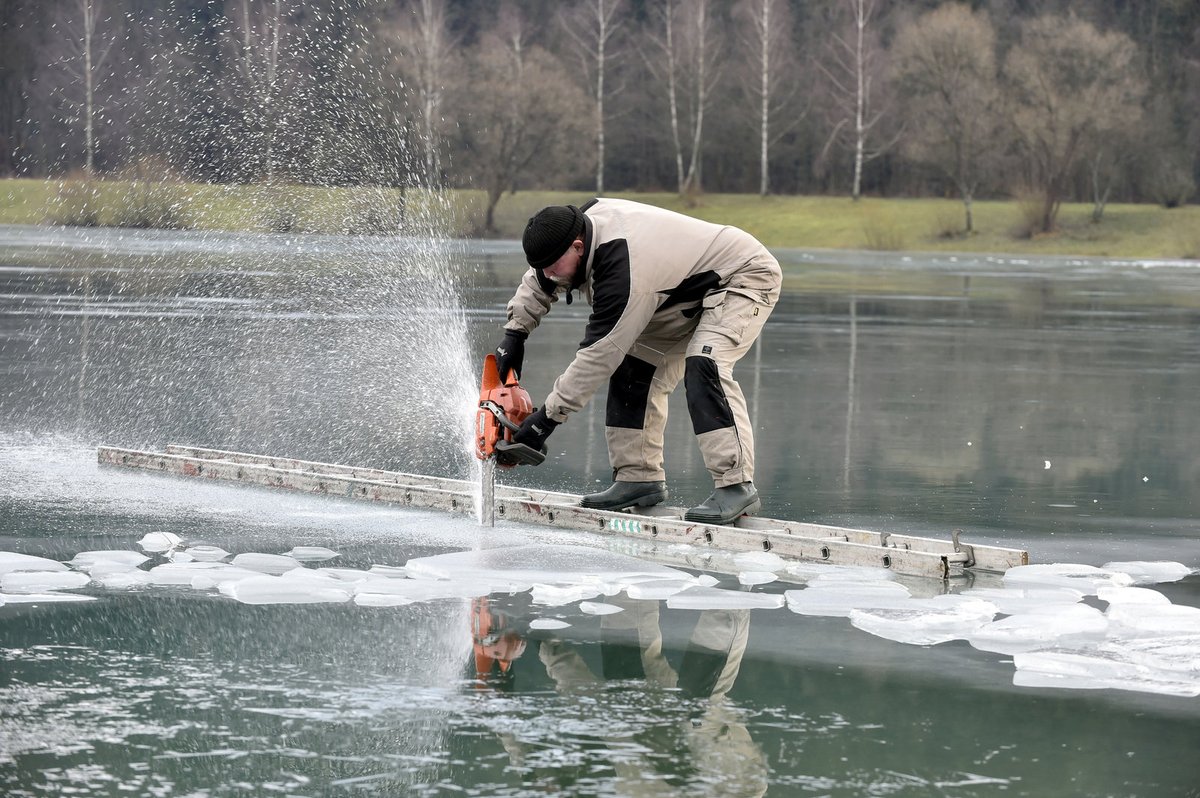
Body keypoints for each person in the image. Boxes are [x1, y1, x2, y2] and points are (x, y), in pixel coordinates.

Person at [495, 198, 781, 525]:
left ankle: (736, 485)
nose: (547, 275)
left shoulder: (621, 270)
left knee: (705, 364)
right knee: (633, 369)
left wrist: (546, 419)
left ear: (578, 247)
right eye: (540, 266)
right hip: (682, 291)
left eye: (552, 267)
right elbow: (541, 277)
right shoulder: (572, 227)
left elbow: (598, 355)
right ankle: (638, 478)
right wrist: (515, 333)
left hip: (741, 275)